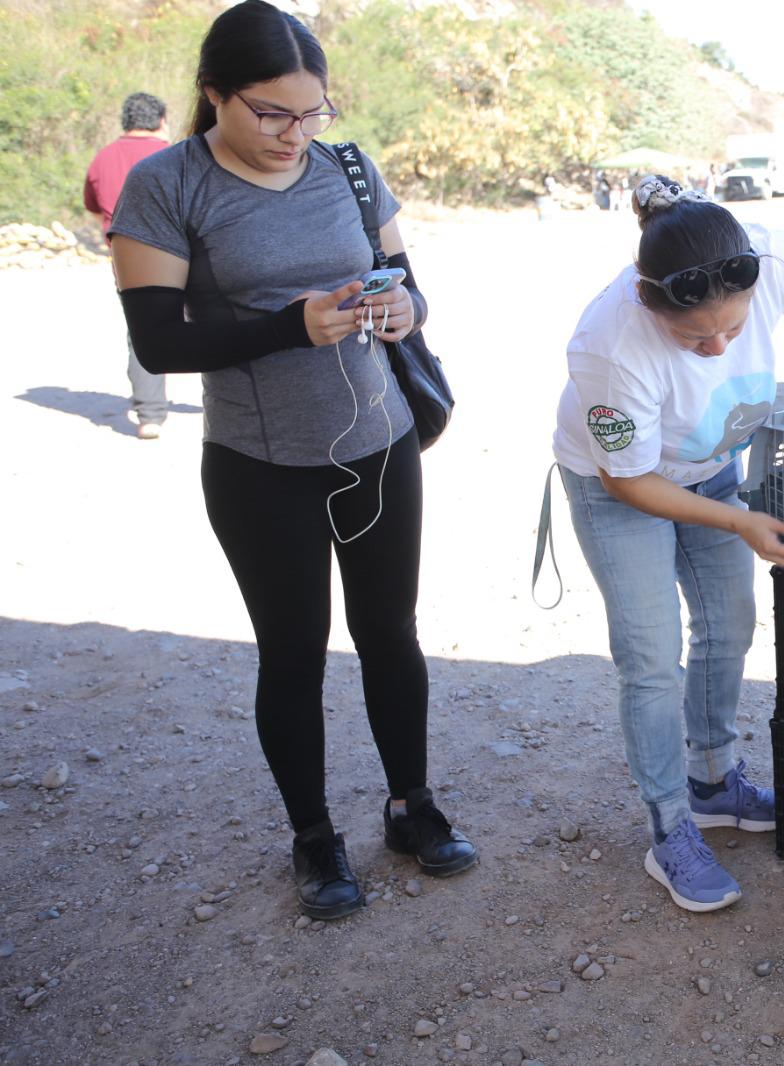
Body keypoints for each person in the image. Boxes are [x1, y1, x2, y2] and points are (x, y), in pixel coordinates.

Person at [109, 0, 476, 920]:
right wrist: (290, 326)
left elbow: (410, 281)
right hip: (258, 462)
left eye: (312, 113)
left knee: (391, 633)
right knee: (293, 652)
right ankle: (314, 838)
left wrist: (405, 313)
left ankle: (412, 805)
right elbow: (156, 342)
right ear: (214, 96)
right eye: (272, 114)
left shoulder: (348, 169)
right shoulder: (165, 186)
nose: (294, 134)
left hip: (378, 441)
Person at [549, 175, 784, 913]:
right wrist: (742, 521)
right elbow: (632, 484)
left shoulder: (769, 257)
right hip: (622, 486)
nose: (716, 348)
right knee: (649, 655)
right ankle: (670, 828)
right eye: (692, 338)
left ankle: (714, 783)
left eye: (733, 332)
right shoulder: (609, 345)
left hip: (712, 466)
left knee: (729, 623)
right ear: (649, 303)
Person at [84, 92, 172, 440]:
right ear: (162, 119)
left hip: (128, 261)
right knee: (220, 320)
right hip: (186, 257)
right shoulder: (174, 155)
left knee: (142, 333)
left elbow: (94, 210)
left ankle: (150, 416)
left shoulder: (103, 159)